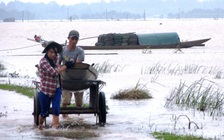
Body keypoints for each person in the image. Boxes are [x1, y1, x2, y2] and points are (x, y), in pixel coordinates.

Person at [38, 41, 74, 130]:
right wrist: (66, 65)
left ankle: (55, 131)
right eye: (51, 52)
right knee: (44, 113)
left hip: (56, 89)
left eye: (55, 52)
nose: (53, 54)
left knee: (56, 110)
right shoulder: (43, 62)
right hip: (46, 90)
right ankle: (40, 126)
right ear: (47, 51)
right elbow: (54, 73)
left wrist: (67, 65)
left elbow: (59, 68)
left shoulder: (57, 59)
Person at [60, 30, 85, 118]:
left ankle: (79, 119)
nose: (74, 41)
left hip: (77, 78)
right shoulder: (62, 50)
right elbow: (58, 64)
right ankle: (64, 117)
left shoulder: (80, 51)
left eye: (76, 39)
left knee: (79, 103)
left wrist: (69, 66)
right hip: (66, 78)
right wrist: (64, 67)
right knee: (65, 101)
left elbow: (78, 64)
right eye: (72, 39)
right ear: (68, 38)